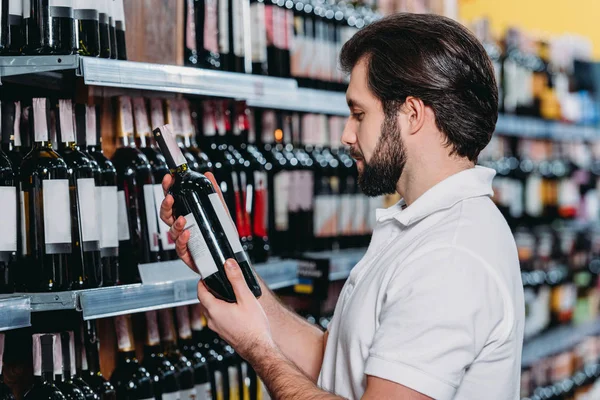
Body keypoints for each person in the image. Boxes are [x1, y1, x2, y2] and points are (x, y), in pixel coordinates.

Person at [160, 12, 524, 400]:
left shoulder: (450, 257)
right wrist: (229, 264)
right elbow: (329, 362)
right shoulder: (421, 227)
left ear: (412, 115)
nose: (346, 134)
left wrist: (256, 347)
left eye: (359, 113)